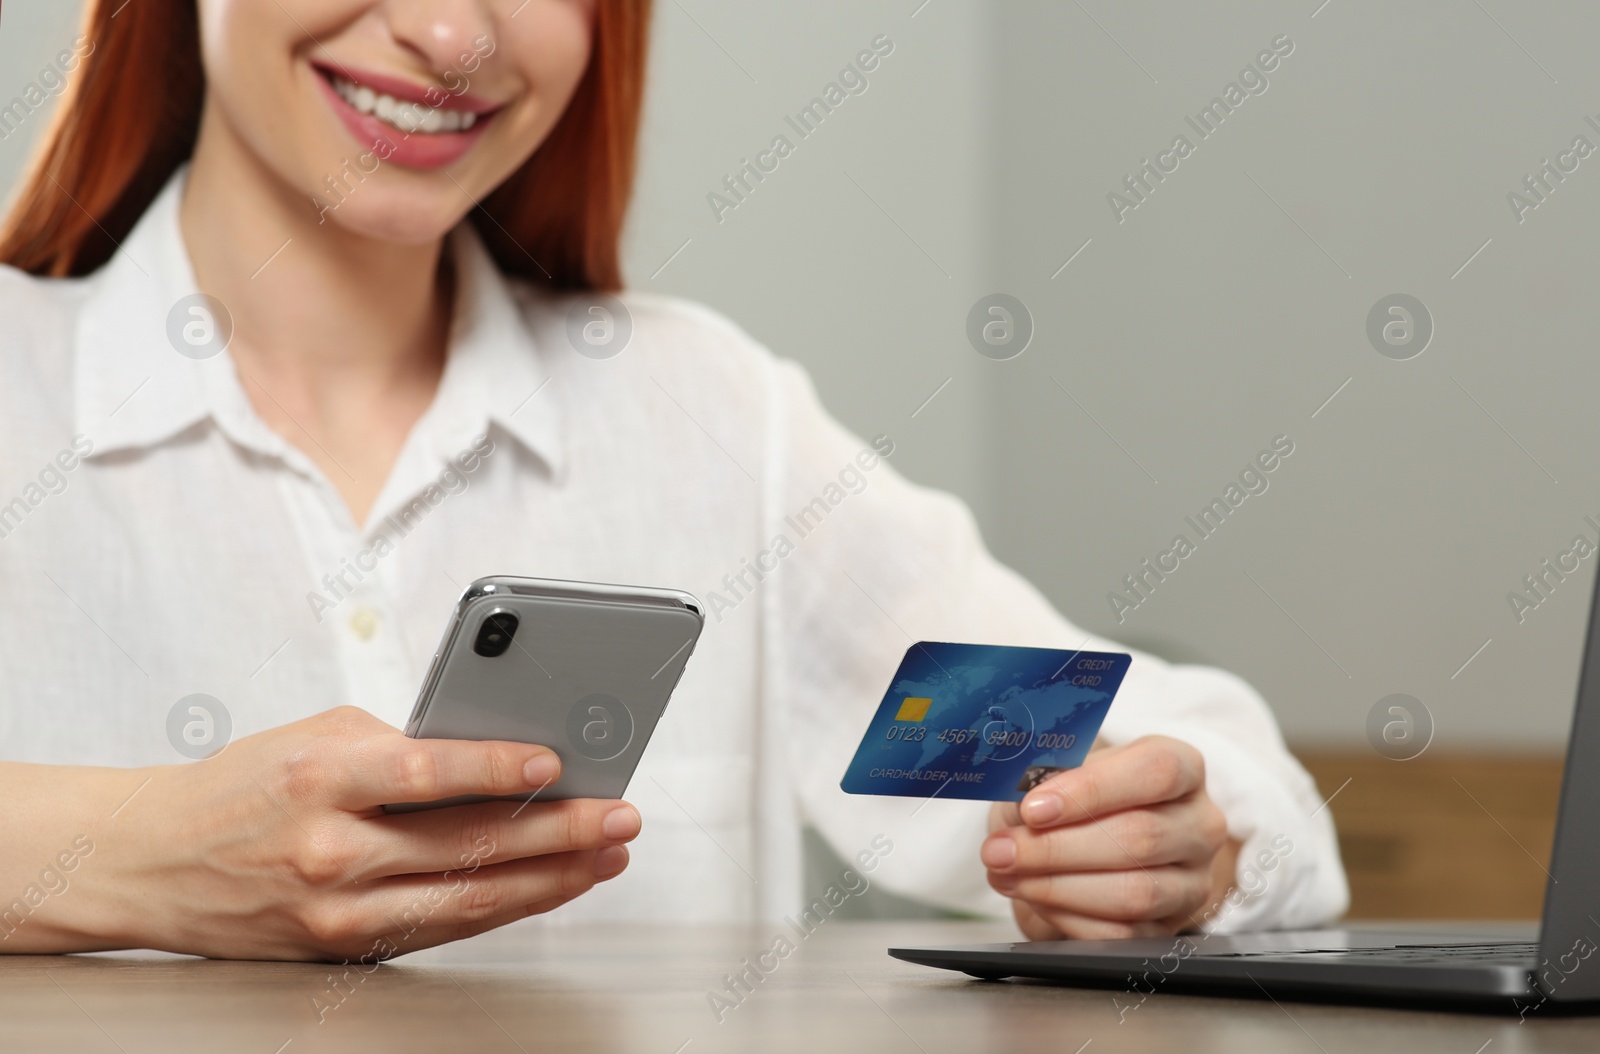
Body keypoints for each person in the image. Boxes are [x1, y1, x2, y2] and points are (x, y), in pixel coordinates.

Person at [0, 0, 1346, 961]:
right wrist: (140, 853)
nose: (456, 35)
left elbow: (1158, 752)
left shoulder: (705, 419)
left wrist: (1172, 837)